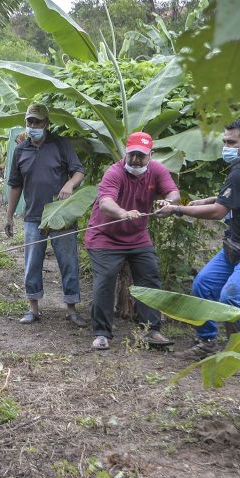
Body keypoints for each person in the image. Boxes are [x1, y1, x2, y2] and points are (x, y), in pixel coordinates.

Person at [154, 117, 240, 359]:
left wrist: (177, 209)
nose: (226, 147)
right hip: (239, 244)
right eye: (224, 141)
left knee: (232, 296)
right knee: (202, 285)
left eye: (231, 142)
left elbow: (218, 212)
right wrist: (207, 199)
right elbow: (234, 197)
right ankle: (207, 343)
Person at [85, 132, 180, 350]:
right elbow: (106, 202)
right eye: (132, 155)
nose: (136, 160)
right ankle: (101, 333)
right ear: (125, 153)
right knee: (106, 279)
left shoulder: (157, 170)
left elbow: (173, 192)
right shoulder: (114, 172)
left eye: (141, 156)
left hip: (137, 237)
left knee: (150, 275)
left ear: (150, 155)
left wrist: (168, 203)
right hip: (104, 237)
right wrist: (122, 213)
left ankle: (151, 330)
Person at [5, 103, 88, 327]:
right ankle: (33, 308)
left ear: (46, 124)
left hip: (61, 215)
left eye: (37, 122)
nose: (33, 126)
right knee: (32, 263)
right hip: (33, 215)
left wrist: (70, 184)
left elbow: (78, 170)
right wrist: (9, 216)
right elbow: (15, 185)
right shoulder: (21, 150)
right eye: (29, 122)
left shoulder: (61, 144)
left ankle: (71, 308)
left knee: (68, 261)